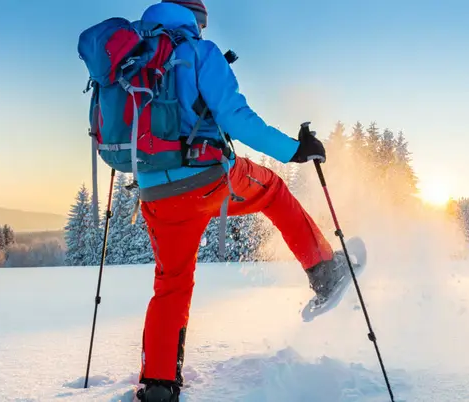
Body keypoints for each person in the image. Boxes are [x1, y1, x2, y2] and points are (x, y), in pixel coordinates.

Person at [133, 1, 351, 401]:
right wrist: (293, 150)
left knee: (171, 286)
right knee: (273, 190)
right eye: (201, 21)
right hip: (208, 179)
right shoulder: (200, 52)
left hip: (156, 194)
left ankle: (158, 386)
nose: (201, 28)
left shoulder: (132, 56)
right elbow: (236, 118)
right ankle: (325, 272)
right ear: (194, 19)